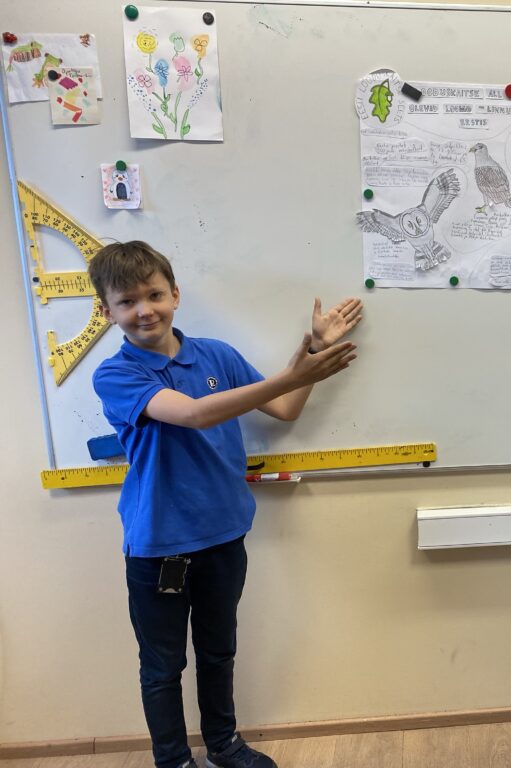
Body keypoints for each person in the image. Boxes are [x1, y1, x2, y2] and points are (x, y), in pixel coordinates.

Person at [88, 241, 362, 768]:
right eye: (127, 302)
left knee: (218, 652)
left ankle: (224, 744)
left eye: (154, 295)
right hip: (159, 547)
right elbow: (194, 414)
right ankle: (173, 760)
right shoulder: (116, 374)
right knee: (163, 667)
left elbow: (285, 407)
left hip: (224, 536)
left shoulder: (217, 355)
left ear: (175, 294)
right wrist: (294, 373)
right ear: (107, 312)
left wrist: (310, 352)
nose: (145, 310)